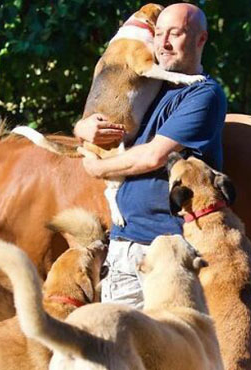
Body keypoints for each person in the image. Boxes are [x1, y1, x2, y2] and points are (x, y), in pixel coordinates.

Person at [74, 3, 226, 308]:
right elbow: (105, 111)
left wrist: (97, 169)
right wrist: (82, 128)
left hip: (169, 248)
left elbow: (154, 156)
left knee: (170, 338)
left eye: (175, 34)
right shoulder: (149, 84)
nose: (163, 43)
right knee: (118, 338)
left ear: (200, 39)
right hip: (124, 246)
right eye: (158, 34)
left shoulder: (202, 94)